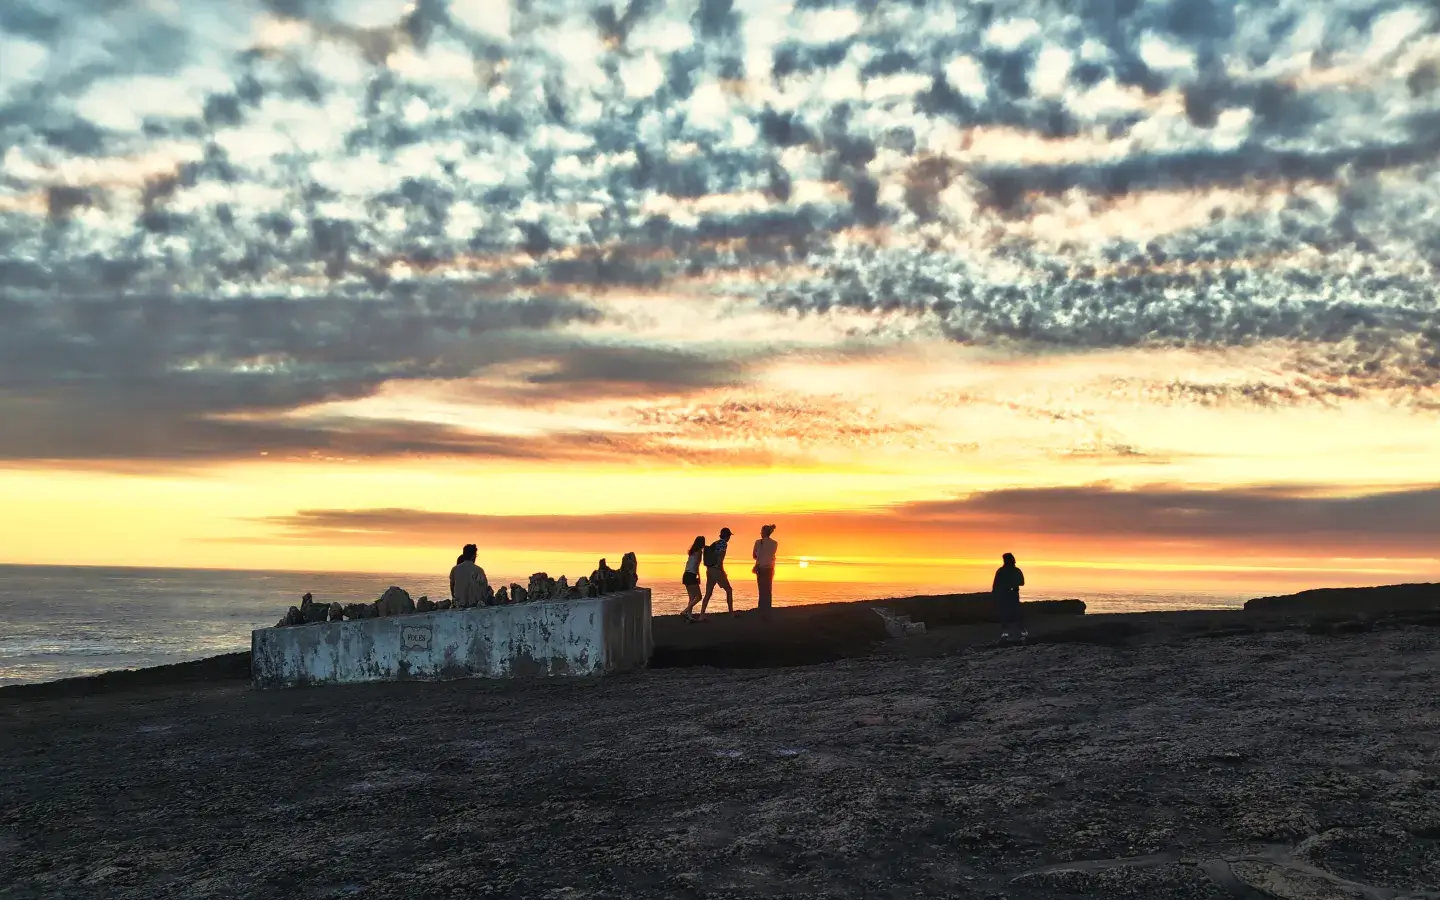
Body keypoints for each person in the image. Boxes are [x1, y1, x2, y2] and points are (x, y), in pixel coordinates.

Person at [992, 552, 1026, 642]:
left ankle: (1019, 632)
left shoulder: (1009, 570)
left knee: (1013, 613)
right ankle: (1009, 632)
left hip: (1010, 594)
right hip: (1006, 595)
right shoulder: (1004, 571)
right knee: (1008, 613)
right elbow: (996, 584)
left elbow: (1022, 582)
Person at [701, 527, 734, 616]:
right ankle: (731, 613)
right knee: (729, 590)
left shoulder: (715, 543)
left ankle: (701, 615)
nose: (729, 538)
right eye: (729, 536)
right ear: (727, 536)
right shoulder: (723, 544)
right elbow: (720, 559)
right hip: (717, 570)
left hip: (709, 570)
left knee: (708, 593)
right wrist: (722, 571)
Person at [450, 543, 489, 609]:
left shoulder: (455, 569)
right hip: (474, 605)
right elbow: (484, 589)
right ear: (473, 556)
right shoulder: (479, 570)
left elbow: (452, 587)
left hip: (459, 604)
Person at [752, 524, 778, 613]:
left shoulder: (758, 542)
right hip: (770, 568)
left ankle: (761, 608)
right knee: (768, 588)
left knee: (761, 588)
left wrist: (760, 557)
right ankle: (768, 607)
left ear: (763, 532)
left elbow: (754, 555)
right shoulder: (775, 543)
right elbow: (771, 555)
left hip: (760, 567)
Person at [680, 536, 706, 621]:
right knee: (699, 597)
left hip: (686, 575)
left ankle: (689, 616)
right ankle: (685, 611)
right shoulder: (699, 552)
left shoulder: (691, 552)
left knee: (691, 597)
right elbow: (697, 565)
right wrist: (698, 576)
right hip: (691, 575)